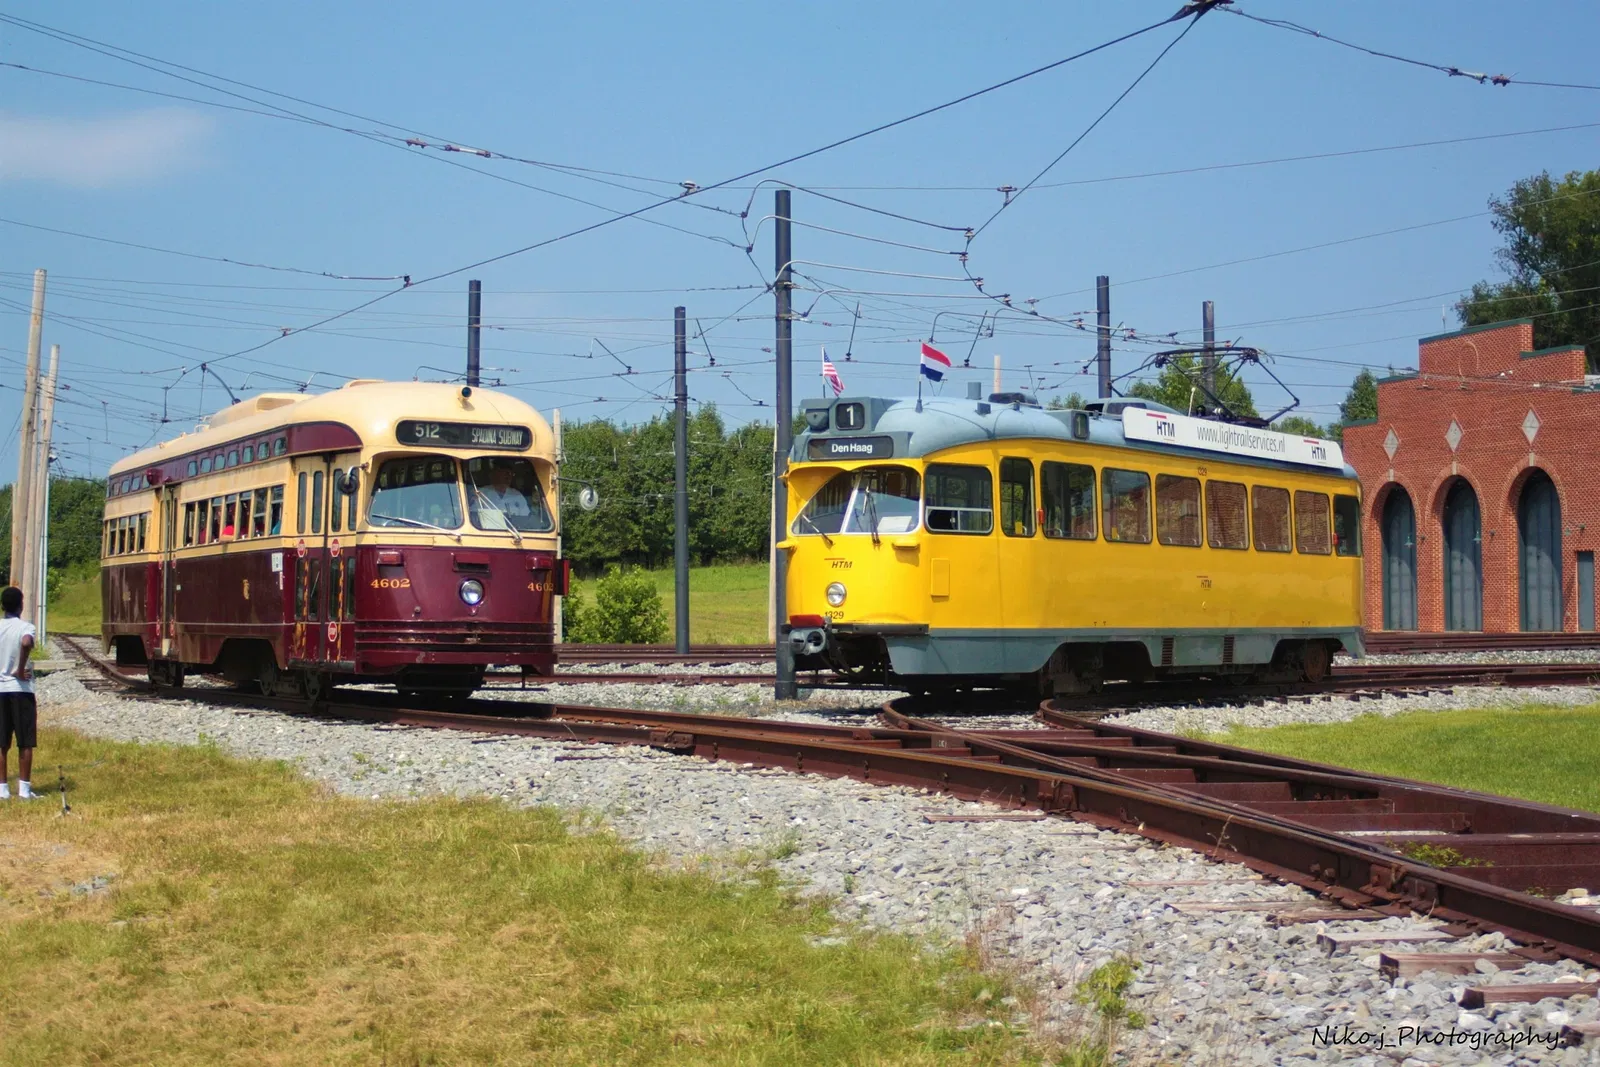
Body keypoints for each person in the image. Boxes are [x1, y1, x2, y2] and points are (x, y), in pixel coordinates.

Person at [0, 586, 38, 800]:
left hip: (0, 690)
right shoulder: (26, 627)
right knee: (25, 741)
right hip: (20, 690)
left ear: (3, 606)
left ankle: (2, 790)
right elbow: (26, 642)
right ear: (21, 605)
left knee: (1, 742)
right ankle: (24, 790)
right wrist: (21, 668)